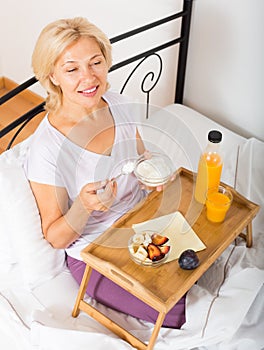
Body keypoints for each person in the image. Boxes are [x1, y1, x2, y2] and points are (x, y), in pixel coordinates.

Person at [24, 17, 186, 328]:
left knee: (196, 266)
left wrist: (153, 177)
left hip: (140, 225)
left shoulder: (120, 105)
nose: (89, 78)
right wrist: (84, 207)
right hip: (93, 252)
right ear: (52, 76)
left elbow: (141, 162)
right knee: (174, 310)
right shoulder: (47, 148)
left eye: (95, 62)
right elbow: (56, 237)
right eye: (72, 69)